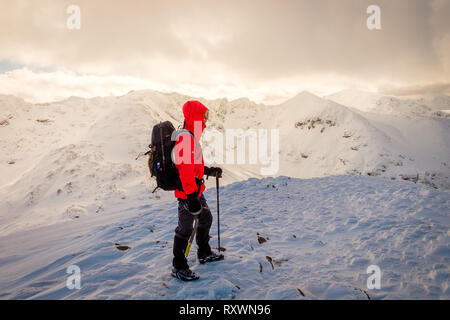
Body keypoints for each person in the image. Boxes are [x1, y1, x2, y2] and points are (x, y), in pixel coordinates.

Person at [171, 100, 223, 281]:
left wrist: (208, 171)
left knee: (206, 218)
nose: (206, 122)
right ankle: (179, 266)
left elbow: (193, 166)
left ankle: (204, 252)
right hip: (188, 193)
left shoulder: (191, 137)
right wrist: (191, 196)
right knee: (185, 228)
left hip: (194, 190)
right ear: (194, 117)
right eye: (203, 117)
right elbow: (184, 170)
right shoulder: (185, 139)